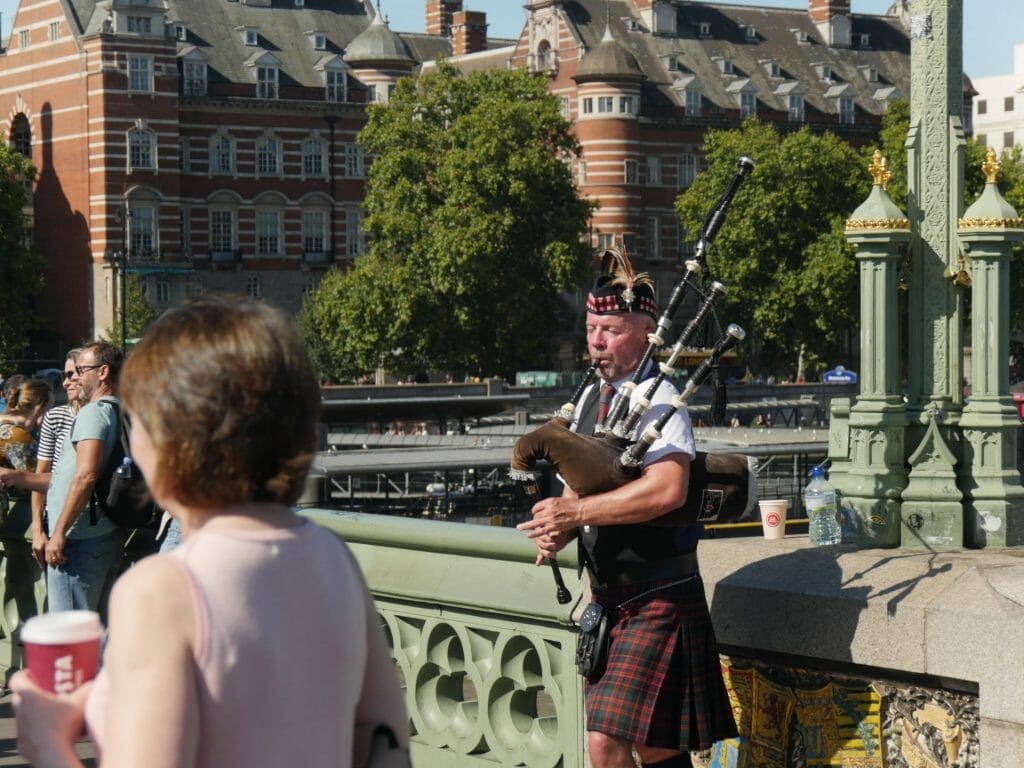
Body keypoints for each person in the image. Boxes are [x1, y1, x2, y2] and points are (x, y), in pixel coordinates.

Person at [11, 298, 408, 767]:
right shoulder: (333, 557)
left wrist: (46, 744)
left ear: (167, 436)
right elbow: (387, 745)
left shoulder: (160, 591)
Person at [517, 253, 737, 768]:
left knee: (606, 741)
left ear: (644, 334)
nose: (596, 341)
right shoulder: (593, 398)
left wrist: (577, 513)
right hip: (611, 596)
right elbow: (585, 488)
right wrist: (559, 523)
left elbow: (667, 490)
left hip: (660, 591)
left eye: (610, 329)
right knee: (657, 749)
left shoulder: (660, 403)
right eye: (592, 328)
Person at [43, 341, 125, 615]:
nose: (75, 376)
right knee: (96, 635)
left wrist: (58, 532)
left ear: (102, 372)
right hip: (107, 531)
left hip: (79, 540)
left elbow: (86, 475)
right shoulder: (122, 410)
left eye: (81, 369)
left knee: (70, 638)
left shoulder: (93, 412)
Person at [29, 350, 82, 567]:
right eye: (64, 376)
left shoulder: (112, 414)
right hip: (57, 523)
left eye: (72, 375)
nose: (66, 383)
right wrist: (38, 530)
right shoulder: (56, 417)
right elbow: (40, 476)